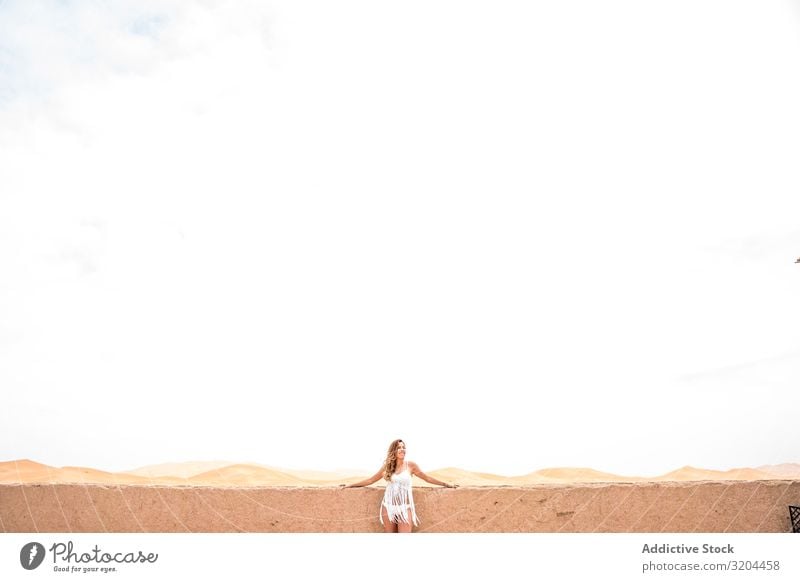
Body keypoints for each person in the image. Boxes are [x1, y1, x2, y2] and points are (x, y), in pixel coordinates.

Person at [342, 439, 457, 533]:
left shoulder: (411, 466)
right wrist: (350, 485)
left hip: (404, 507)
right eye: (399, 447)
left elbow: (427, 478)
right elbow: (371, 480)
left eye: (403, 447)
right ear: (394, 451)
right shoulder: (387, 467)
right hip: (388, 506)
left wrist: (446, 484)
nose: (402, 449)